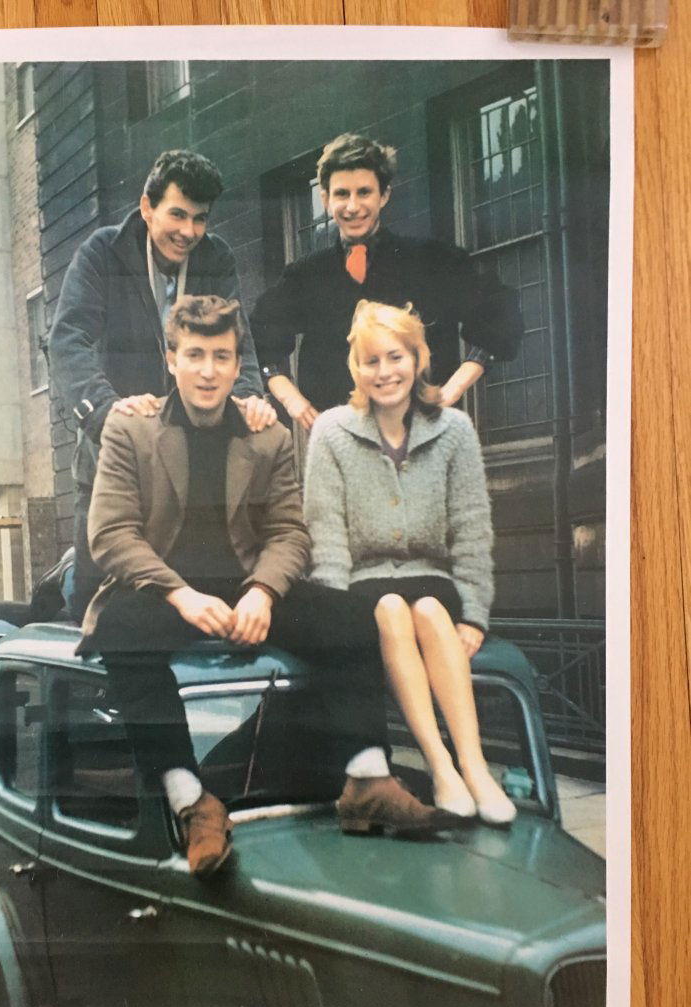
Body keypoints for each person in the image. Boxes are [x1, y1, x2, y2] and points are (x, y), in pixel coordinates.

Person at [79, 294, 461, 877]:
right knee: (121, 629)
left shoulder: (267, 433)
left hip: (247, 586)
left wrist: (262, 590)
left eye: (222, 356)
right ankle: (193, 802)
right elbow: (110, 533)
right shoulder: (130, 428)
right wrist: (179, 593)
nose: (208, 370)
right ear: (171, 357)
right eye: (196, 355)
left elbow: (288, 531)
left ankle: (365, 779)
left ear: (238, 365)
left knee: (352, 615)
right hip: (163, 593)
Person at [304, 300, 517, 826]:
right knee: (395, 607)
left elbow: (472, 529)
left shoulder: (454, 429)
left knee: (425, 609)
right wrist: (336, 620)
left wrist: (473, 616)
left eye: (395, 357)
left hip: (435, 584)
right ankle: (440, 765)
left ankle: (475, 765)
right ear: (357, 369)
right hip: (364, 590)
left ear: (418, 358)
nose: (385, 373)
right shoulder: (330, 432)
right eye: (371, 362)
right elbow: (325, 537)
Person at [49, 150, 274, 621]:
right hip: (115, 451)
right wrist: (107, 414)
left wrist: (250, 399)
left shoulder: (216, 256)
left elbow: (240, 343)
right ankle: (69, 582)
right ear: (147, 206)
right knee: (95, 608)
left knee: (188, 601)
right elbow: (69, 340)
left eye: (200, 219)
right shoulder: (101, 252)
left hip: (191, 456)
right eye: (177, 214)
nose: (188, 232)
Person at [251, 132, 523, 428]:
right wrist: (292, 400)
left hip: (422, 433)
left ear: (384, 195)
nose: (353, 207)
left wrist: (452, 390)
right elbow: (257, 339)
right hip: (342, 441)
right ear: (325, 199)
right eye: (342, 194)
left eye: (364, 192)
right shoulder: (305, 275)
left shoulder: (431, 260)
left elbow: (499, 312)